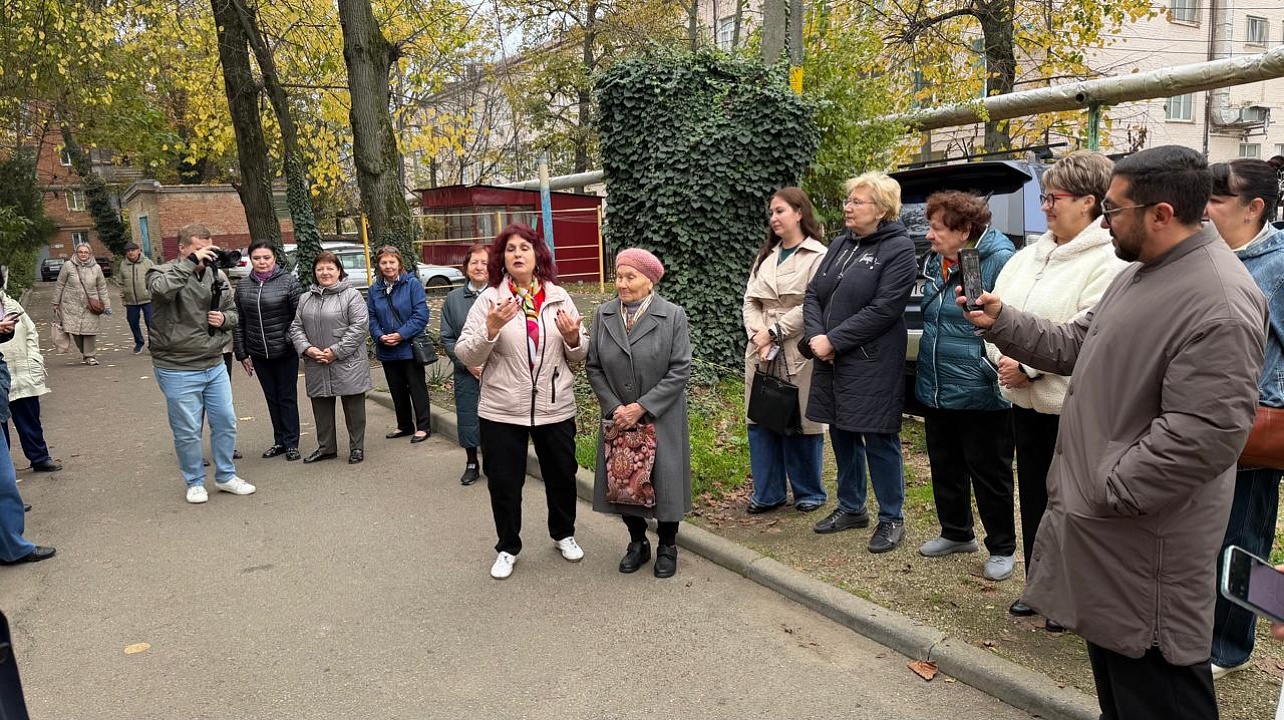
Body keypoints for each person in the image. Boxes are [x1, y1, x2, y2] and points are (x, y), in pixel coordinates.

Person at [963, 145, 1267, 720]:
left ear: (1162, 214)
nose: (1104, 223)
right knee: (1122, 691)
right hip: (1111, 534)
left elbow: (1204, 435)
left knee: (1160, 690)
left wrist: (1106, 489)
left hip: (1147, 546)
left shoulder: (1218, 301)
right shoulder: (1141, 273)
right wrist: (1002, 321)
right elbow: (1077, 343)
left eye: (1114, 210)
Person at [983, 152, 1125, 625]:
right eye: (1043, 196)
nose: (1044, 206)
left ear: (1088, 202)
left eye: (1053, 197)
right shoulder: (1027, 257)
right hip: (1023, 402)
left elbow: (1092, 335)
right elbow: (995, 313)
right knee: (1034, 498)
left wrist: (1030, 367)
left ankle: (1068, 598)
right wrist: (1003, 360)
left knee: (1072, 507)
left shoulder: (1108, 261)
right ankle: (1037, 585)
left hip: (1073, 409)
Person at [456, 223, 588, 580]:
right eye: (510, 249)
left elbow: (579, 354)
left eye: (524, 248)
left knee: (562, 476)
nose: (517, 254)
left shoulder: (558, 297)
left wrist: (574, 339)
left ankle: (563, 533)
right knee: (504, 482)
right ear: (502, 258)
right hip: (502, 409)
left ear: (537, 255)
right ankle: (507, 547)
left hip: (554, 406)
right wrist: (491, 329)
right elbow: (466, 353)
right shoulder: (490, 300)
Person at [801, 172, 917, 554]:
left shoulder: (899, 249)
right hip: (831, 358)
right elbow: (813, 295)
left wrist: (834, 340)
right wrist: (818, 338)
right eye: (848, 200)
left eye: (857, 201)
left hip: (871, 360)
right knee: (842, 432)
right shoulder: (840, 243)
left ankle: (891, 517)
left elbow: (885, 309)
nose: (847, 207)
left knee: (878, 436)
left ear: (881, 210)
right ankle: (852, 507)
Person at [1204, 159, 1284, 680]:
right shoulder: (1206, 255)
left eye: (1217, 199)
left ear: (1254, 207)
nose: (1205, 208)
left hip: (1252, 430)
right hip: (1198, 423)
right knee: (1199, 537)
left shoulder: (1278, 266)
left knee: (1240, 539)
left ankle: (1229, 646)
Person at [914, 191, 1016, 579]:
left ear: (965, 230)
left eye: (936, 228)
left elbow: (1013, 321)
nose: (929, 235)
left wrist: (991, 369)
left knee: (990, 472)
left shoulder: (999, 260)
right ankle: (956, 532)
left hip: (979, 385)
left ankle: (1002, 547)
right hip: (937, 381)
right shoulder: (936, 260)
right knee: (945, 463)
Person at [588, 248, 692, 578]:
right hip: (619, 416)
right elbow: (594, 367)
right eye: (618, 276)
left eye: (630, 277)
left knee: (665, 481)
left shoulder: (672, 315)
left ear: (649, 281)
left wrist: (642, 406)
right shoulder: (604, 315)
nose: (621, 283)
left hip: (660, 415)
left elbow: (680, 369)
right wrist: (615, 407)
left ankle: (667, 546)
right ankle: (637, 543)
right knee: (623, 482)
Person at [147, 224, 256, 504]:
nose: (205, 254)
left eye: (209, 248)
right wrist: (190, 263)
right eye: (198, 249)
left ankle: (226, 476)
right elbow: (161, 292)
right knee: (187, 429)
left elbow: (233, 312)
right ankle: (195, 482)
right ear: (182, 248)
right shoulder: (160, 272)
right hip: (177, 365)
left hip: (214, 361)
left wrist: (224, 319)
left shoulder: (215, 275)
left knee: (226, 421)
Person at [742, 187, 828, 514]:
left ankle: (809, 492)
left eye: (780, 211)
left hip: (797, 346)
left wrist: (774, 332)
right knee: (761, 416)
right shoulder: (766, 255)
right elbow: (750, 300)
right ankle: (768, 493)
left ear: (799, 212)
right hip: (761, 347)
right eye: (772, 212)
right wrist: (757, 333)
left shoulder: (818, 255)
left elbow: (814, 303)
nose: (773, 218)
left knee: (802, 418)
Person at [290, 252, 372, 465]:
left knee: (353, 408)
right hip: (316, 361)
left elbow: (359, 327)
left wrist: (335, 351)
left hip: (347, 361)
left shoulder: (352, 295)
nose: (325, 272)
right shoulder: (305, 298)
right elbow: (296, 327)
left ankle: (356, 448)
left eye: (330, 268)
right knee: (321, 407)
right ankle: (326, 448)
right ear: (314, 273)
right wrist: (307, 349)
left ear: (339, 271)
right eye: (320, 269)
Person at [233, 241, 303, 462]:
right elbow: (238, 321)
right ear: (251, 260)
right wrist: (242, 353)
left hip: (285, 351)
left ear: (275, 259)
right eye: (257, 258)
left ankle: (292, 443)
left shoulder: (289, 282)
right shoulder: (243, 286)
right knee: (271, 397)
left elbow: (299, 317)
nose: (262, 262)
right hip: (258, 353)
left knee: (287, 397)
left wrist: (288, 340)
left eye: (266, 258)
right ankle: (279, 441)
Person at [0, 304, 54, 565]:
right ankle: (12, 547)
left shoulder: (9, 303)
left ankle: (11, 546)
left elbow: (30, 331)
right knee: (3, 479)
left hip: (17, 376)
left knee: (4, 479)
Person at [367, 245, 432, 445]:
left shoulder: (412, 285)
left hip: (409, 347)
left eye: (392, 262)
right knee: (396, 388)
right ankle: (404, 425)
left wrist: (400, 335)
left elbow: (421, 315)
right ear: (379, 265)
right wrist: (380, 336)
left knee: (416, 388)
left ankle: (423, 427)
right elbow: (371, 317)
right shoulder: (374, 289)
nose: (388, 266)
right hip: (387, 347)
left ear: (399, 263)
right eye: (384, 262)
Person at [441, 243, 489, 485]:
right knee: (469, 417)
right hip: (466, 371)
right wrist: (467, 363)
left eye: (484, 263)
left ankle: (495, 461)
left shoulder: (501, 296)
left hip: (496, 371)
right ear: (466, 267)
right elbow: (447, 337)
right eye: (474, 262)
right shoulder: (453, 299)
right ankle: (472, 462)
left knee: (496, 420)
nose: (479, 267)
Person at [0, 286, 61, 472]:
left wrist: (33, 357)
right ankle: (4, 468)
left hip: (22, 372)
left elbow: (30, 331)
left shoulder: (11, 304)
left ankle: (39, 458)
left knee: (30, 419)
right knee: (1, 427)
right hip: (2, 375)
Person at [53, 242, 109, 365]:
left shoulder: (96, 268)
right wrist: (55, 302)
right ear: (76, 253)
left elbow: (102, 287)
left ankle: (90, 356)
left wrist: (107, 305)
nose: (83, 254)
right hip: (70, 304)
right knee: (75, 331)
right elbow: (60, 284)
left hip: (91, 305)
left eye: (86, 252)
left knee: (89, 331)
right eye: (80, 252)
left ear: (90, 254)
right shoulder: (68, 266)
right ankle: (85, 352)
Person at [119, 242, 154, 354]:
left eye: (133, 250)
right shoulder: (123, 264)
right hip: (131, 300)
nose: (130, 252)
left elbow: (155, 279)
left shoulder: (148, 263)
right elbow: (121, 283)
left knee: (151, 323)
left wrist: (155, 295)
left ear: (138, 251)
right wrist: (123, 298)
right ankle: (139, 342)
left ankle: (153, 344)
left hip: (148, 299)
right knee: (132, 322)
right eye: (128, 251)